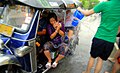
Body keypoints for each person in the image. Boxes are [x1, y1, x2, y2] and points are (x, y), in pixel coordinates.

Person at [77, 0, 120, 73]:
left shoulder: (105, 4)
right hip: (110, 41)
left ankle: (87, 72)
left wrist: (79, 9)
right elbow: (119, 29)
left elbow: (86, 13)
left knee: (92, 57)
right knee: (100, 60)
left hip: (100, 37)